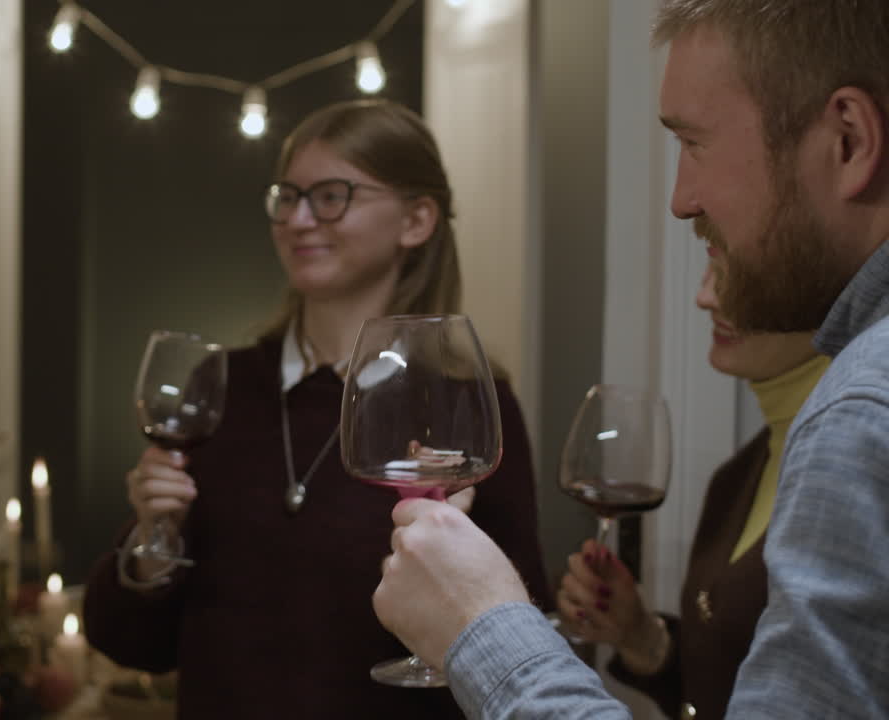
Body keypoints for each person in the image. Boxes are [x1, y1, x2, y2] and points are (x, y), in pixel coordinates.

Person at [372, 1, 889, 717]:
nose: (681, 200)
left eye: (695, 143)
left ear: (848, 140)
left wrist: (479, 627)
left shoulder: (862, 413)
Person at [83, 98, 550, 718]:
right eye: (288, 196)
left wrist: (456, 567)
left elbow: (522, 647)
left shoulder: (465, 401)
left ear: (416, 219)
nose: (299, 219)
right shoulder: (220, 385)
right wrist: (150, 538)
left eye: (332, 196)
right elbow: (131, 643)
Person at [556, 246, 829, 720]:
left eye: (734, 273)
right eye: (710, 267)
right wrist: (639, 634)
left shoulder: (855, 470)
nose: (704, 296)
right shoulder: (737, 476)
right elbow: (725, 685)